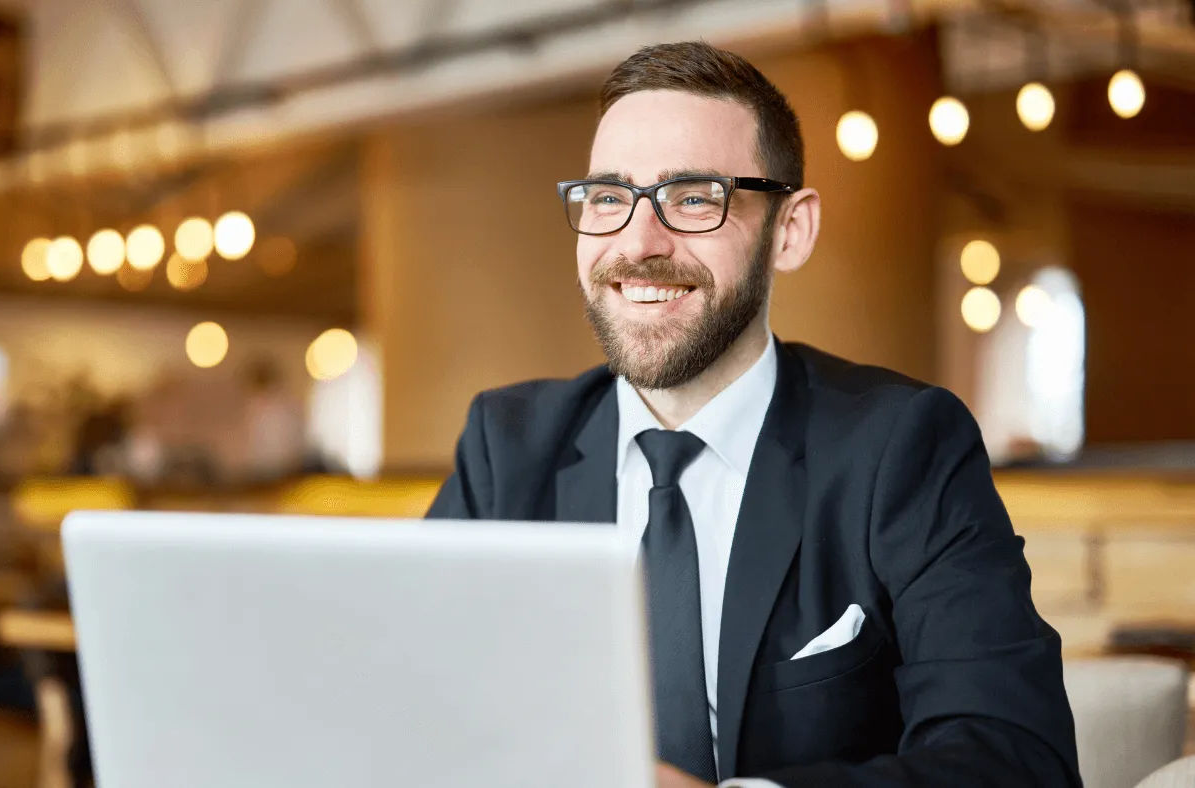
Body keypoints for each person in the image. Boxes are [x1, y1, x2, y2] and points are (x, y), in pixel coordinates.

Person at [427, 42, 1079, 788]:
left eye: (694, 198)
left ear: (790, 231)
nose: (638, 243)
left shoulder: (902, 447)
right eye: (609, 198)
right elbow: (404, 702)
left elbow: (1018, 760)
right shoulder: (503, 449)